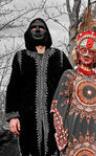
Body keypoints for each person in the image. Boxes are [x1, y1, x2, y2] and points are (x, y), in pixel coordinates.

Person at [51, 7, 96, 156]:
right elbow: (57, 107)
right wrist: (61, 132)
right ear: (78, 52)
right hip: (73, 130)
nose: (87, 54)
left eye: (91, 51)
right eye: (83, 50)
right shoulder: (69, 75)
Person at [5, 18, 72, 156]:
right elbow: (13, 88)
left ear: (46, 32)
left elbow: (72, 83)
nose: (37, 29)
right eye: (33, 27)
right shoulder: (20, 57)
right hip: (27, 117)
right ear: (28, 32)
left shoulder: (59, 56)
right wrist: (12, 117)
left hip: (55, 116)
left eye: (41, 27)